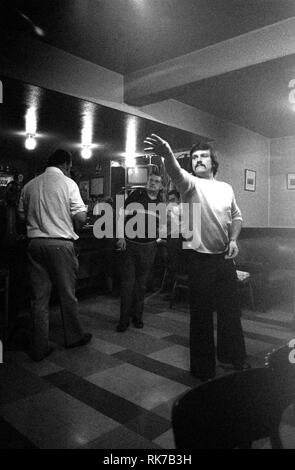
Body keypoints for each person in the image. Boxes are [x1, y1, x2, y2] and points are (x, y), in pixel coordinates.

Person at [144, 134, 248, 381]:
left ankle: (232, 356)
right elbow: (175, 170)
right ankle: (203, 369)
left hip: (224, 259)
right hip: (199, 259)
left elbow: (237, 216)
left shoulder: (226, 188)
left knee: (231, 312)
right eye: (194, 157)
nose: (198, 160)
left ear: (213, 162)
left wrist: (233, 239)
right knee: (200, 315)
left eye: (203, 156)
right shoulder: (189, 184)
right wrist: (167, 153)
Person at [18, 149, 92, 361]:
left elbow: (21, 215)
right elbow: (79, 218)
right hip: (60, 244)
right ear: (66, 164)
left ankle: (39, 347)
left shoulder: (30, 185)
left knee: (39, 298)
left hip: (35, 244)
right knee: (67, 293)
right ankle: (74, 337)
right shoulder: (68, 184)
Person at [116, 172, 163, 332]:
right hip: (130, 244)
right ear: (146, 182)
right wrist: (120, 236)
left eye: (157, 182)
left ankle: (137, 317)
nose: (153, 183)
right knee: (127, 283)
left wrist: (157, 239)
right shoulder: (136, 195)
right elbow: (122, 214)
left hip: (149, 247)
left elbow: (162, 225)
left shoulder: (160, 202)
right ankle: (123, 320)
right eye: (151, 180)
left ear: (160, 186)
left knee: (141, 285)